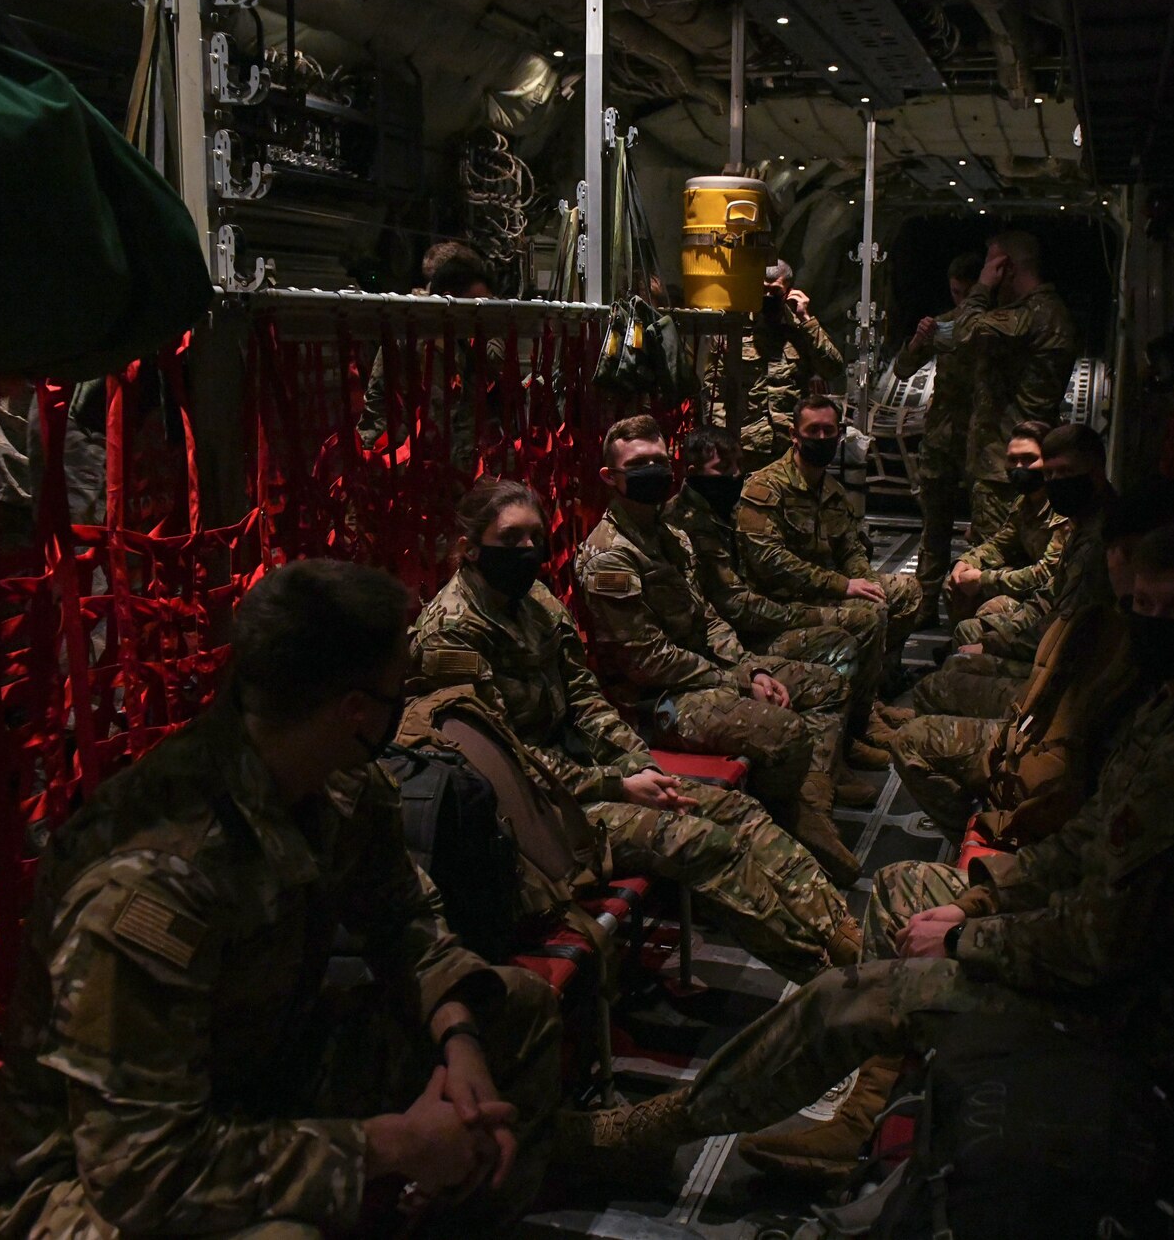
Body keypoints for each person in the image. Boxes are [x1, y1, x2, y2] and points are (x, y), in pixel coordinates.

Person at [562, 518, 1174, 1181]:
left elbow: (1096, 944)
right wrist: (979, 896)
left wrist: (966, 935)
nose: (1153, 624)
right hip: (1115, 968)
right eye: (1142, 606)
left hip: (1145, 1021)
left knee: (848, 994)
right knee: (906, 889)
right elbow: (1084, 845)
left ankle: (652, 1131)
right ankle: (867, 1107)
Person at [0, 560, 562, 1238]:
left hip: (258, 1080)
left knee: (521, 1011)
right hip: (91, 1184)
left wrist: (460, 1043)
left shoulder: (341, 782)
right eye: (402, 688)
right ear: (356, 711)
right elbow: (145, 1171)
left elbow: (404, 922)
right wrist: (390, 1146)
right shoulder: (156, 876)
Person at [411, 479, 861, 980]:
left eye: (535, 538)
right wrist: (619, 785)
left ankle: (838, 929)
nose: (526, 551)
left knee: (734, 807)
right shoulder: (452, 632)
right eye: (510, 539)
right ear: (470, 549)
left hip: (584, 772)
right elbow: (505, 761)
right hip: (534, 814)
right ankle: (826, 973)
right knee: (697, 838)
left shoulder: (535, 599)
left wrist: (637, 764)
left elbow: (585, 699)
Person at [575, 414, 864, 885]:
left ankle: (810, 805)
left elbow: (709, 618)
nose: (652, 470)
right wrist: (735, 681)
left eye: (657, 460)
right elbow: (646, 661)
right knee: (784, 731)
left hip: (704, 675)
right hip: (654, 702)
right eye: (638, 463)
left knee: (825, 684)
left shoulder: (671, 536)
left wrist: (748, 669)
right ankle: (786, 825)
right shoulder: (611, 554)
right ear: (610, 477)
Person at [889, 474, 1174, 844]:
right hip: (1045, 743)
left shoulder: (1171, 683)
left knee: (927, 713)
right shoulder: (1110, 620)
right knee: (961, 654)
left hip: (1055, 773)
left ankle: (983, 836)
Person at [668, 425, 914, 772]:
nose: (735, 477)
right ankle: (833, 758)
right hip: (731, 638)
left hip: (758, 615)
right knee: (847, 634)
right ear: (693, 474)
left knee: (865, 614)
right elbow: (734, 604)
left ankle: (853, 730)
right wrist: (803, 613)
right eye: (723, 471)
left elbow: (785, 561)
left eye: (738, 467)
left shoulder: (730, 507)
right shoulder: (687, 522)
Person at [913, 422, 1113, 719]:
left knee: (941, 679)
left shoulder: (1094, 536)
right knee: (967, 631)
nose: (1055, 481)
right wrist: (967, 563)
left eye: (1066, 473)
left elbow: (1062, 620)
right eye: (1051, 474)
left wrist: (992, 641)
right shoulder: (1077, 518)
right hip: (1046, 633)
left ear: (1095, 472)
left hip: (1066, 671)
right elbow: (1008, 552)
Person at [736, 395, 926, 673]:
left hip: (824, 590)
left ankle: (882, 675)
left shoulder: (833, 491)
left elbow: (851, 550)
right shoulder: (766, 488)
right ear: (794, 435)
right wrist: (841, 585)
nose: (822, 437)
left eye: (829, 430)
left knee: (906, 592)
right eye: (813, 430)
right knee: (870, 613)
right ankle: (860, 699)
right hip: (782, 599)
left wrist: (869, 582)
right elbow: (770, 562)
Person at [956, 231, 1078, 540]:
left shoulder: (1028, 316)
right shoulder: (1051, 311)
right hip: (1026, 459)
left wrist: (983, 286)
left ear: (1006, 268)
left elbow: (964, 332)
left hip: (1005, 467)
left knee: (992, 561)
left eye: (990, 265)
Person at [357, 240, 498, 453]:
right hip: (404, 458)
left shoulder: (455, 337)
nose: (479, 318)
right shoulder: (416, 333)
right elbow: (391, 412)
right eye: (475, 306)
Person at [894, 253, 981, 599]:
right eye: (955, 293)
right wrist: (919, 340)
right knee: (934, 527)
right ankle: (925, 600)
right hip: (943, 435)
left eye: (967, 294)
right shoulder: (945, 325)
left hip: (984, 439)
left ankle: (976, 604)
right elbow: (903, 368)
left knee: (987, 528)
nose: (960, 302)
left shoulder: (1001, 327)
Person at [706, 260, 847, 471]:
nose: (768, 296)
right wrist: (721, 438)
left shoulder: (801, 330)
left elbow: (833, 369)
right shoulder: (735, 328)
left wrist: (806, 320)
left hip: (790, 446)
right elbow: (714, 388)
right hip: (744, 446)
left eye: (775, 290)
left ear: (788, 290)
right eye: (762, 289)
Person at [945, 419, 1064, 632]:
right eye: (1012, 460)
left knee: (989, 612)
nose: (1019, 467)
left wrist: (983, 579)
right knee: (955, 584)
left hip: (1052, 595)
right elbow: (1000, 544)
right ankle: (959, 652)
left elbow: (1045, 573)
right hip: (1027, 581)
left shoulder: (1062, 504)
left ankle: (977, 653)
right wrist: (967, 561)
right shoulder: (1025, 501)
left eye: (1029, 459)